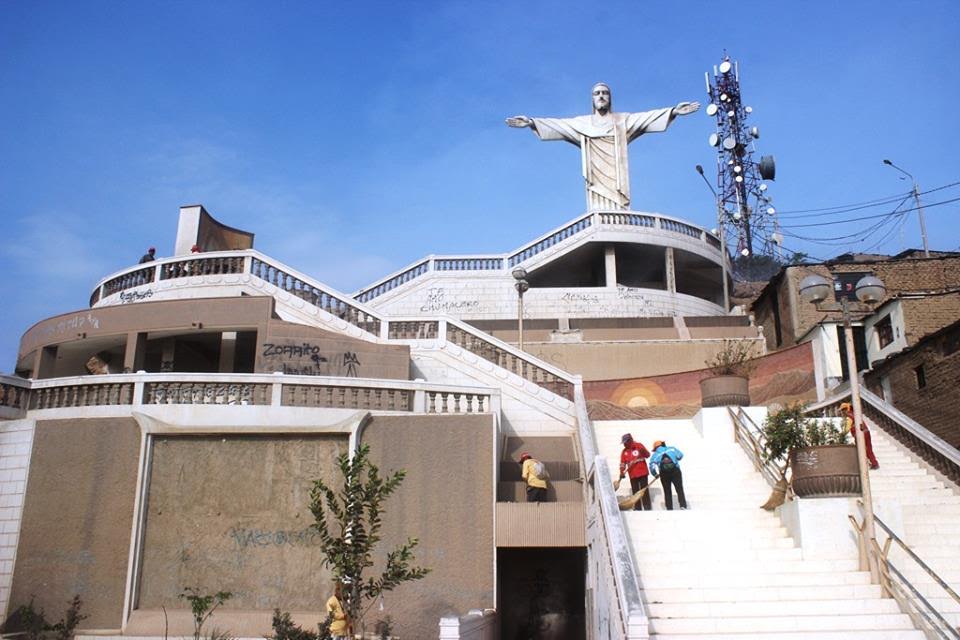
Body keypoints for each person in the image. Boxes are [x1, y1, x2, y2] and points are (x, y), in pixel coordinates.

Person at [506, 83, 699, 210]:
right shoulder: (582, 123)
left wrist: (673, 111)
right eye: (597, 93)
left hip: (618, 182)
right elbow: (559, 125)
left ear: (610, 98)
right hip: (596, 183)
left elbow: (646, 118)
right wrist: (532, 122)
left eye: (605, 93)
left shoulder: (623, 121)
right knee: (598, 209)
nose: (601, 96)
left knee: (619, 212)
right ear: (591, 99)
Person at [650, 440, 687, 510]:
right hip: (675, 471)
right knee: (679, 489)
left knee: (667, 490)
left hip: (664, 474)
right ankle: (683, 505)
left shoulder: (655, 455)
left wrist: (655, 474)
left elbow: (652, 466)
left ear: (655, 448)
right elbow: (680, 455)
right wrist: (676, 459)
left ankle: (669, 507)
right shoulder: (672, 448)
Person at [840, 402, 879, 469]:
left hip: (860, 435)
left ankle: (865, 464)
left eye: (842, 410)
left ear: (846, 409)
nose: (842, 412)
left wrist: (842, 434)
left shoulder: (849, 417)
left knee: (861, 450)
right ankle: (874, 463)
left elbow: (847, 429)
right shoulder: (855, 414)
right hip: (866, 432)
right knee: (868, 449)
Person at [618, 433, 651, 511]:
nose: (624, 444)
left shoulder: (639, 445)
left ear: (630, 440)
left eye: (625, 442)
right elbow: (623, 463)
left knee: (644, 490)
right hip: (632, 474)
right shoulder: (624, 452)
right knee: (635, 491)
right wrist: (621, 471)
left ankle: (647, 507)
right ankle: (637, 507)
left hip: (642, 472)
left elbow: (647, 455)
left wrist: (643, 452)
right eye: (623, 443)